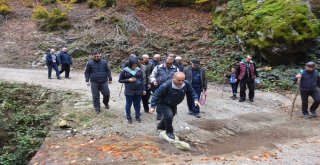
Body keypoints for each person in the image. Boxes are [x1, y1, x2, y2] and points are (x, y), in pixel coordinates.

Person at [149, 72, 201, 139]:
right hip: (163, 103)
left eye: (183, 80)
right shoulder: (166, 85)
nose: (181, 82)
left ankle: (160, 126)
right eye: (179, 80)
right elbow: (156, 94)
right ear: (173, 78)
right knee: (169, 116)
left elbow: (192, 91)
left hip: (173, 103)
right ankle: (169, 131)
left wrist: (195, 99)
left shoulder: (186, 83)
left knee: (171, 115)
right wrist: (153, 106)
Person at [119, 57, 146, 124]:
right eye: (133, 65)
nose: (135, 66)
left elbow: (142, 80)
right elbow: (120, 80)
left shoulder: (139, 70)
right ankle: (128, 117)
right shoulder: (125, 70)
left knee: (137, 104)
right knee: (128, 104)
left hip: (138, 90)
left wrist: (144, 89)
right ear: (130, 64)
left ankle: (137, 116)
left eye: (136, 65)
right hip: (129, 90)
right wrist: (128, 80)